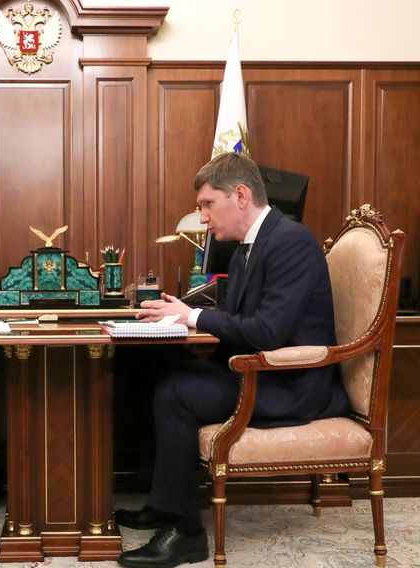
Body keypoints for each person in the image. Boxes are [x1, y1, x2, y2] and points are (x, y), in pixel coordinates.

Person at [115, 152, 349, 568]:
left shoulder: (290, 241)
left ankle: (185, 533)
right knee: (146, 368)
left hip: (289, 383)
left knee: (176, 392)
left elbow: (268, 332)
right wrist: (179, 316)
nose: (203, 217)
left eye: (207, 204)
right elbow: (242, 321)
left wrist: (192, 317)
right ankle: (163, 502)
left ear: (240, 195)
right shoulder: (247, 246)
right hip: (255, 370)